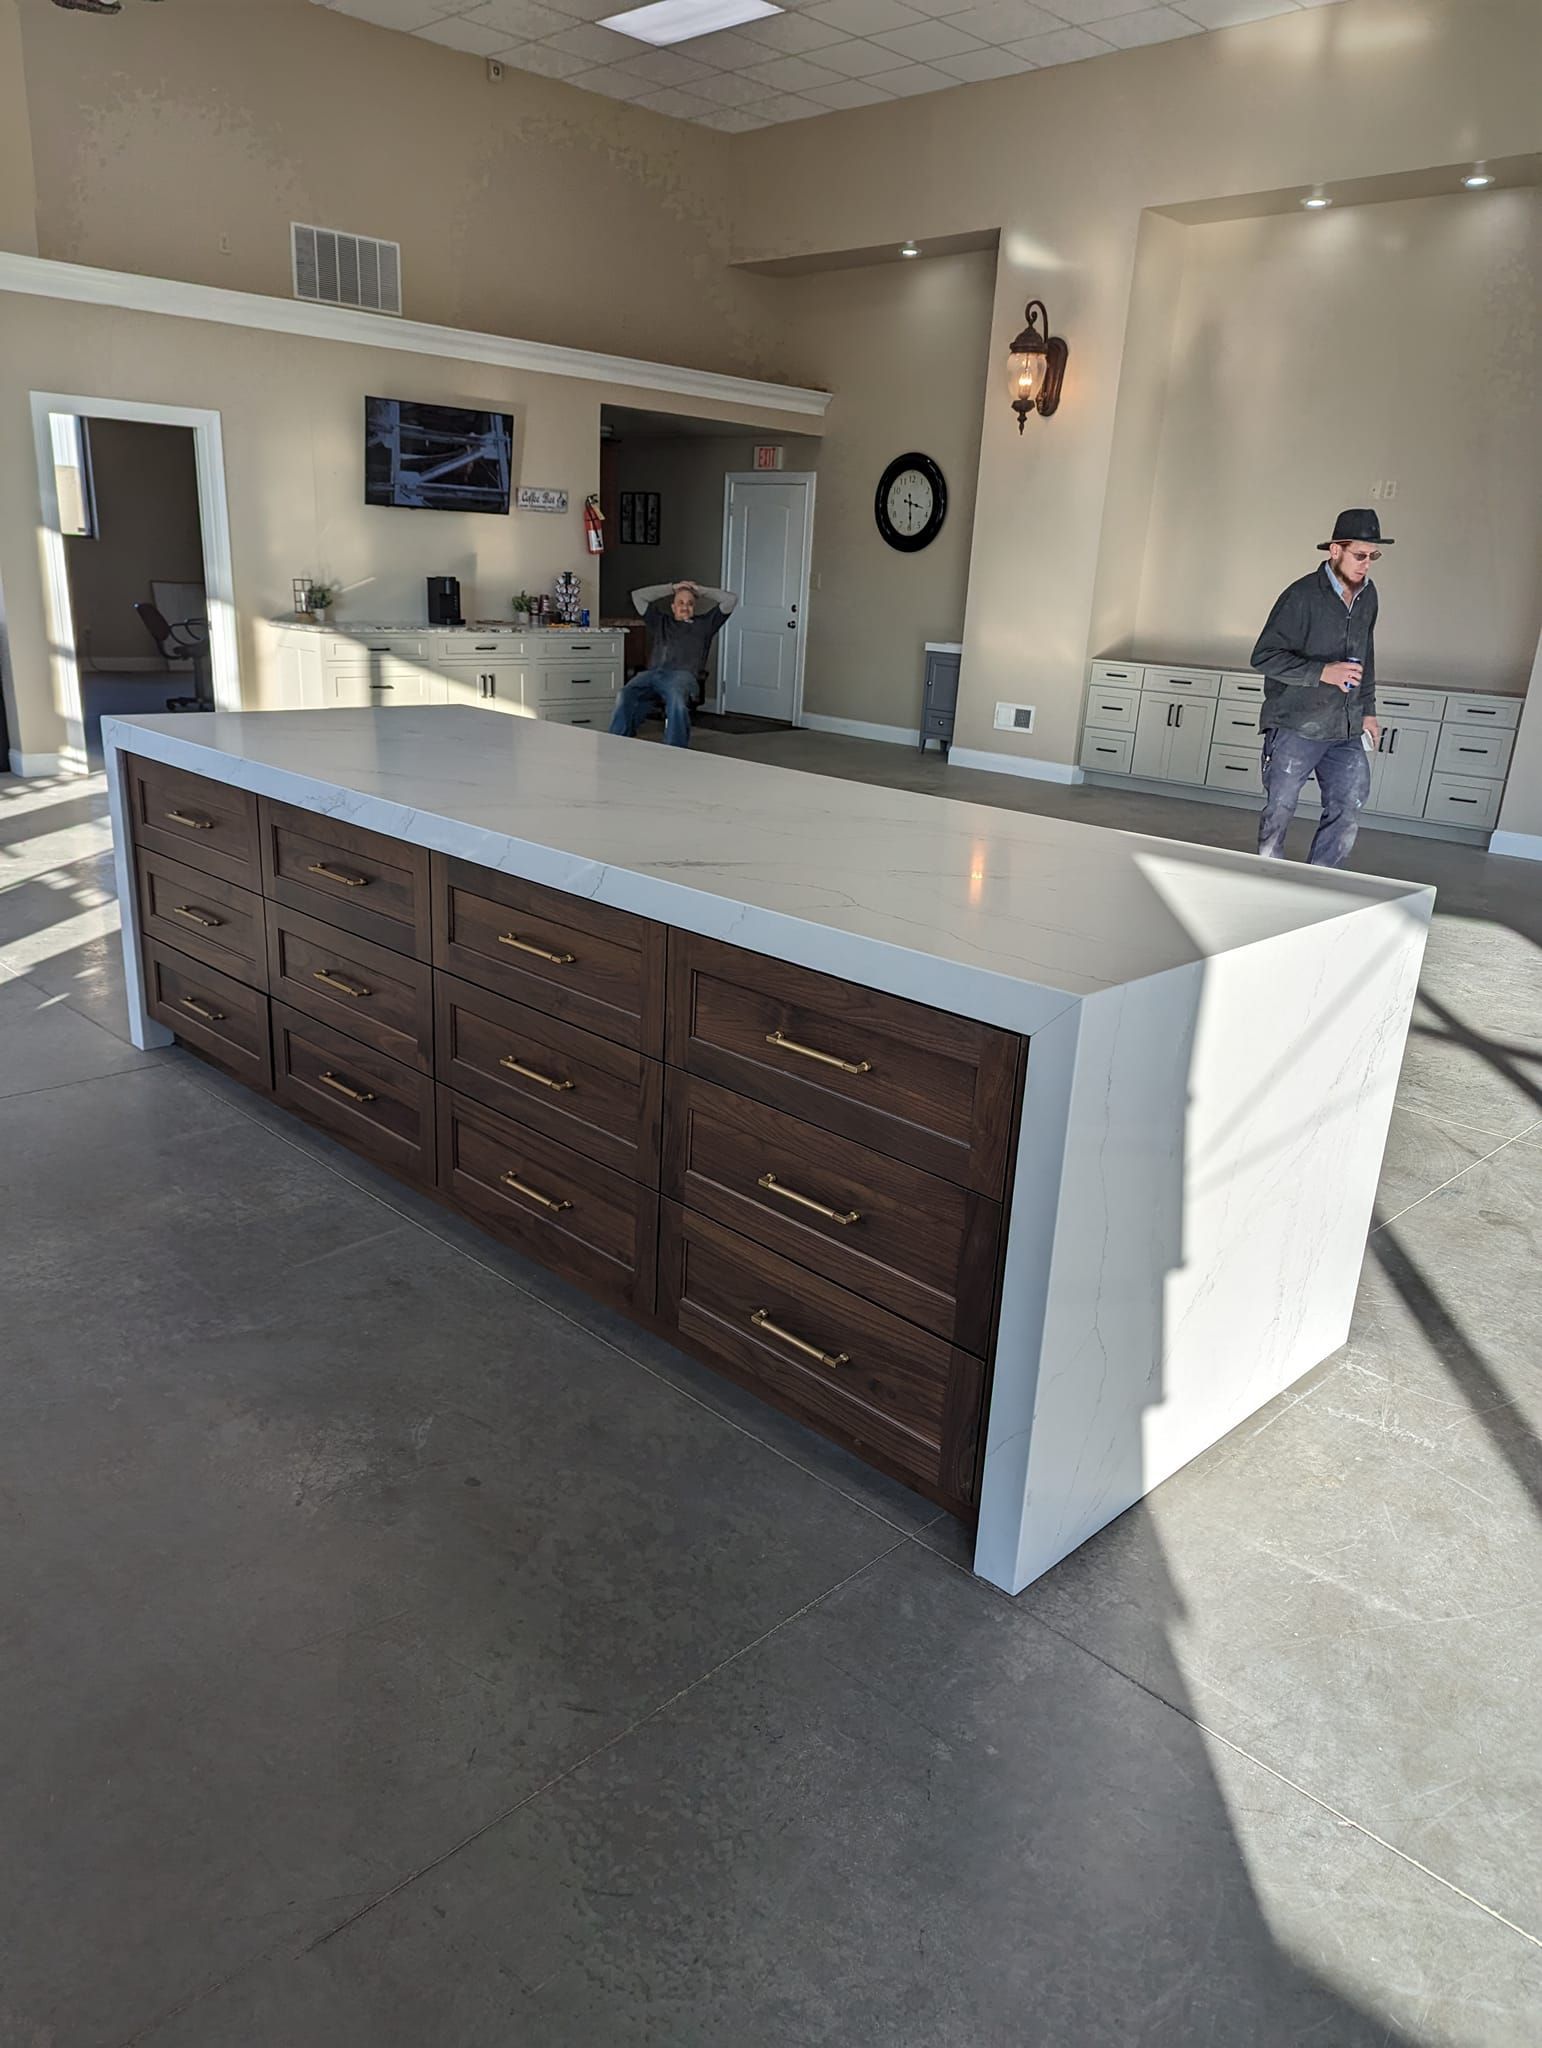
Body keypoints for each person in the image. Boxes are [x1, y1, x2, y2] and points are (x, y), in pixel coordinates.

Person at [1250, 509, 1390, 868]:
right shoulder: (1300, 597)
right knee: (1280, 807)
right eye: (1360, 555)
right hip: (1296, 724)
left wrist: (1369, 711)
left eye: (1373, 556)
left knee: (1348, 806)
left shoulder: (1368, 596)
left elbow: (1366, 656)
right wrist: (1321, 673)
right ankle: (1268, 871)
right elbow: (1264, 657)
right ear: (1335, 550)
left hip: (1344, 726)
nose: (1367, 564)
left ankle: (1322, 880)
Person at [608, 579, 738, 749]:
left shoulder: (705, 624)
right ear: (673, 607)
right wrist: (672, 588)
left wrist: (700, 590)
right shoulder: (661, 622)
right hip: (653, 674)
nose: (685, 607)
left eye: (690, 603)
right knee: (625, 694)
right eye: (681, 602)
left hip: (682, 676)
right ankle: (617, 742)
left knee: (676, 699)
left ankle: (674, 748)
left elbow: (731, 600)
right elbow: (638, 596)